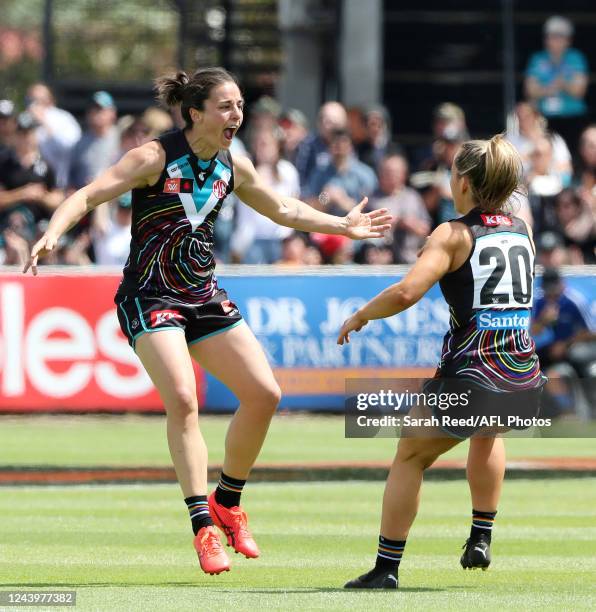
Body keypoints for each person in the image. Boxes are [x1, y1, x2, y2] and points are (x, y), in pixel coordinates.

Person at [24, 67, 391, 576]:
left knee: (265, 394)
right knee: (183, 398)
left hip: (202, 295)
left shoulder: (231, 167)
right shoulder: (153, 156)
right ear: (195, 112)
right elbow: (87, 195)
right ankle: (202, 527)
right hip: (150, 297)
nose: (236, 115)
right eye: (226, 106)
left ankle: (228, 500)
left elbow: (283, 208)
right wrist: (52, 233)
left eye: (239, 106)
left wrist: (343, 226)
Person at [337, 134, 545, 589]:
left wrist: (360, 314)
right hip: (524, 376)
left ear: (466, 182)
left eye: (452, 173)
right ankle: (481, 536)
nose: (449, 181)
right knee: (488, 435)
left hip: (473, 375)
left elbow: (408, 291)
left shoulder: (453, 233)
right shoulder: (521, 229)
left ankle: (386, 568)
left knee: (410, 454)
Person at [524, 16, 589, 152]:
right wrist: (552, 88)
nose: (555, 40)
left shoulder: (576, 58)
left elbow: (579, 91)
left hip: (573, 118)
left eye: (560, 37)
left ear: (568, 40)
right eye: (551, 36)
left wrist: (558, 85)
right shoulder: (537, 59)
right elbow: (529, 90)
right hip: (544, 118)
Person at [25, 82, 82, 189]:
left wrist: (45, 124)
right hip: (33, 186)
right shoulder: (25, 120)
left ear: (50, 100)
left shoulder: (64, 118)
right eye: (31, 100)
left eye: (40, 100)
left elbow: (72, 148)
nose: (35, 104)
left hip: (63, 184)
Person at [68, 91, 120, 190]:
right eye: (92, 109)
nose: (95, 113)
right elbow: (71, 176)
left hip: (114, 198)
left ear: (112, 112)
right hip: (86, 198)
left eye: (100, 109)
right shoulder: (80, 142)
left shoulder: (121, 138)